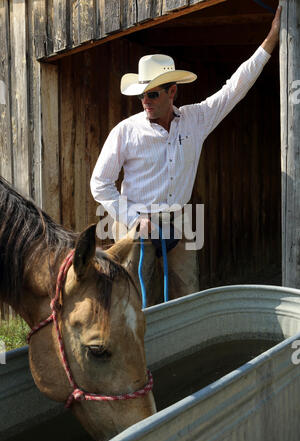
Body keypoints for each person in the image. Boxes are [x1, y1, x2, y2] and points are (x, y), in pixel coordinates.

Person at [90, 6, 282, 302]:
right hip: (134, 222)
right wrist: (133, 218)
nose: (145, 101)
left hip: (178, 219)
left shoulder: (196, 120)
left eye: (153, 94)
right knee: (134, 298)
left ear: (173, 93)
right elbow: (99, 183)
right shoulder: (125, 132)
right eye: (142, 94)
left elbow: (234, 89)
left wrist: (270, 40)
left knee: (188, 291)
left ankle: (184, 345)